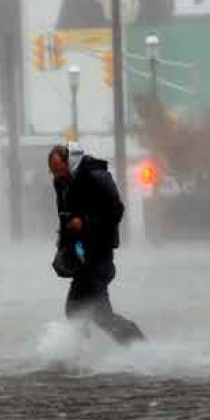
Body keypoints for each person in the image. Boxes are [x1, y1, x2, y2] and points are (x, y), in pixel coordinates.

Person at [47, 143, 146, 345]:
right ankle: (81, 355)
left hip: (100, 253)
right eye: (53, 172)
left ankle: (138, 346)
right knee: (78, 310)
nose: (57, 176)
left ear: (70, 162)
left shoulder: (97, 177)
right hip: (81, 253)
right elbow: (64, 217)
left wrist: (84, 221)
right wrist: (64, 249)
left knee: (92, 312)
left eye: (60, 170)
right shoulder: (61, 182)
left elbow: (116, 211)